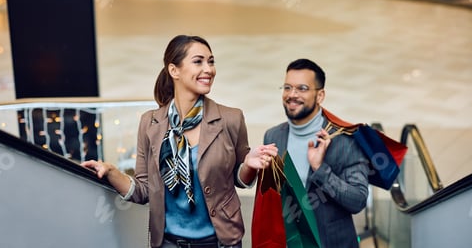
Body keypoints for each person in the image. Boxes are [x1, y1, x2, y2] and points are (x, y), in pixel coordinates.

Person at [82, 35, 277, 248]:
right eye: (198, 61)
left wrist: (249, 165)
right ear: (174, 70)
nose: (209, 69)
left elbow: (240, 179)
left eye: (211, 61)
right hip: (168, 243)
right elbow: (144, 190)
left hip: (221, 242)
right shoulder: (150, 123)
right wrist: (111, 172)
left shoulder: (231, 118)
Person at [263, 58, 369, 248]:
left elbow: (358, 201)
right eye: (287, 87)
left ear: (320, 95)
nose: (291, 95)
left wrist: (320, 169)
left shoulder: (344, 141)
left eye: (302, 88)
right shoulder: (273, 136)